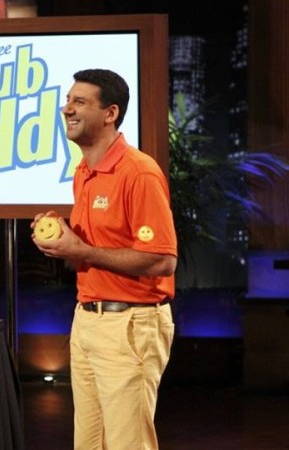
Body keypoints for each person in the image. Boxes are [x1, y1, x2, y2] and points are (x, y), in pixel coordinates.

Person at [31, 69, 177, 450]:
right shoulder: (83, 172)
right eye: (68, 100)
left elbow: (162, 261)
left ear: (110, 113)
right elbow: (96, 251)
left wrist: (80, 250)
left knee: (128, 443)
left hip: (129, 324)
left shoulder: (138, 172)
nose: (67, 109)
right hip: (87, 320)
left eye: (79, 102)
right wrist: (62, 240)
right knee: (89, 443)